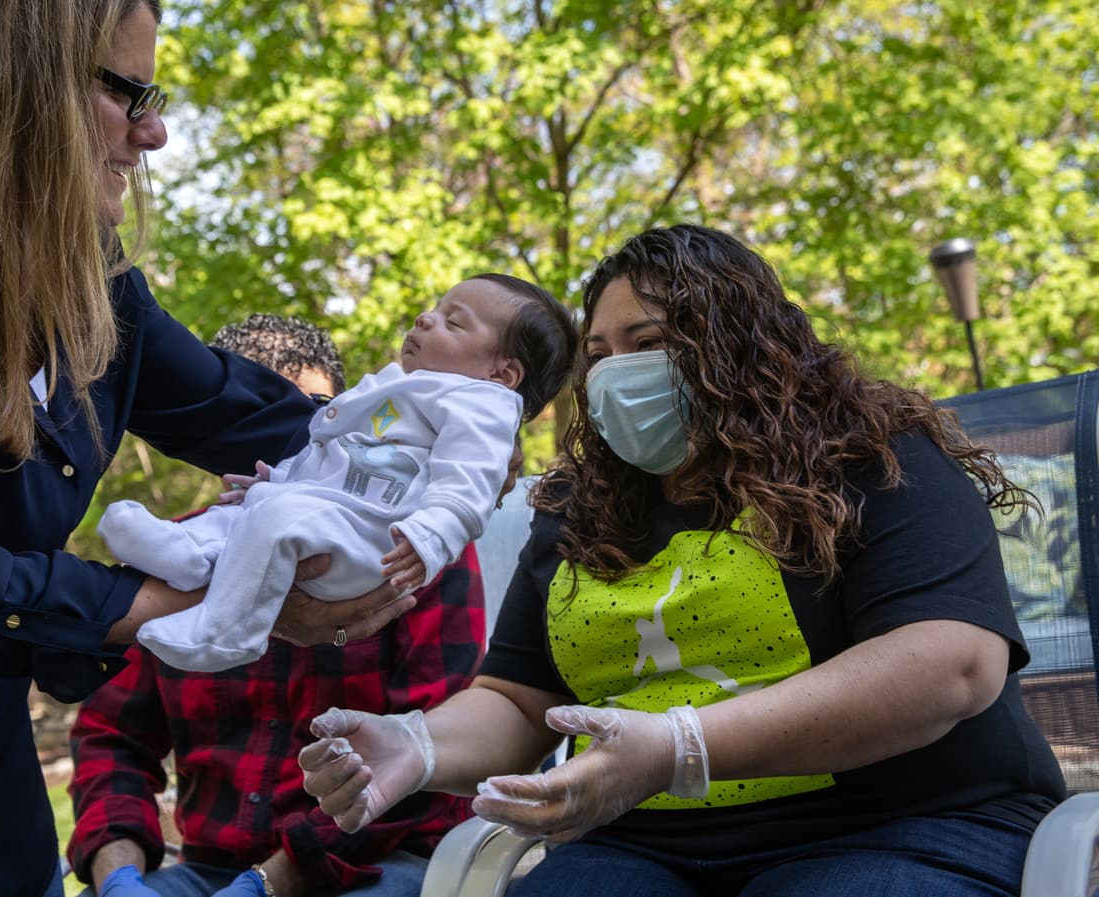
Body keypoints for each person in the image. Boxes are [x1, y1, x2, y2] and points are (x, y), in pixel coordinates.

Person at [0, 4, 412, 896]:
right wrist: (234, 589)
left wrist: (429, 440)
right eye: (127, 93)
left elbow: (246, 412)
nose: (156, 131)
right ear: (11, 88)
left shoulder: (86, 280)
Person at [299, 224, 1067, 897]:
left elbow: (951, 663)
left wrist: (679, 745)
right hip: (645, 843)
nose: (612, 374)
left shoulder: (877, 459)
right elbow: (519, 702)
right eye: (597, 354)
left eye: (648, 342)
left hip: (901, 824)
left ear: (743, 346)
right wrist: (417, 744)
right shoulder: (579, 503)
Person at [68, 313, 493, 897]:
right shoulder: (178, 560)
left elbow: (427, 753)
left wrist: (266, 883)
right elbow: (112, 735)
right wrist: (118, 874)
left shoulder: (412, 557)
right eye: (259, 416)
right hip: (205, 870)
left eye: (314, 409)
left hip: (375, 864)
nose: (295, 433)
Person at [97, 275, 576, 672]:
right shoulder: (409, 395)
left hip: (374, 542)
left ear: (503, 375)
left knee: (275, 518)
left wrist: (431, 535)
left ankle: (226, 631)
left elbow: (466, 484)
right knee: (251, 508)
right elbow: (332, 453)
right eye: (435, 308)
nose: (425, 318)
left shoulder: (481, 404)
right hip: (337, 511)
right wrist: (281, 478)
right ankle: (189, 556)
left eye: (453, 322)